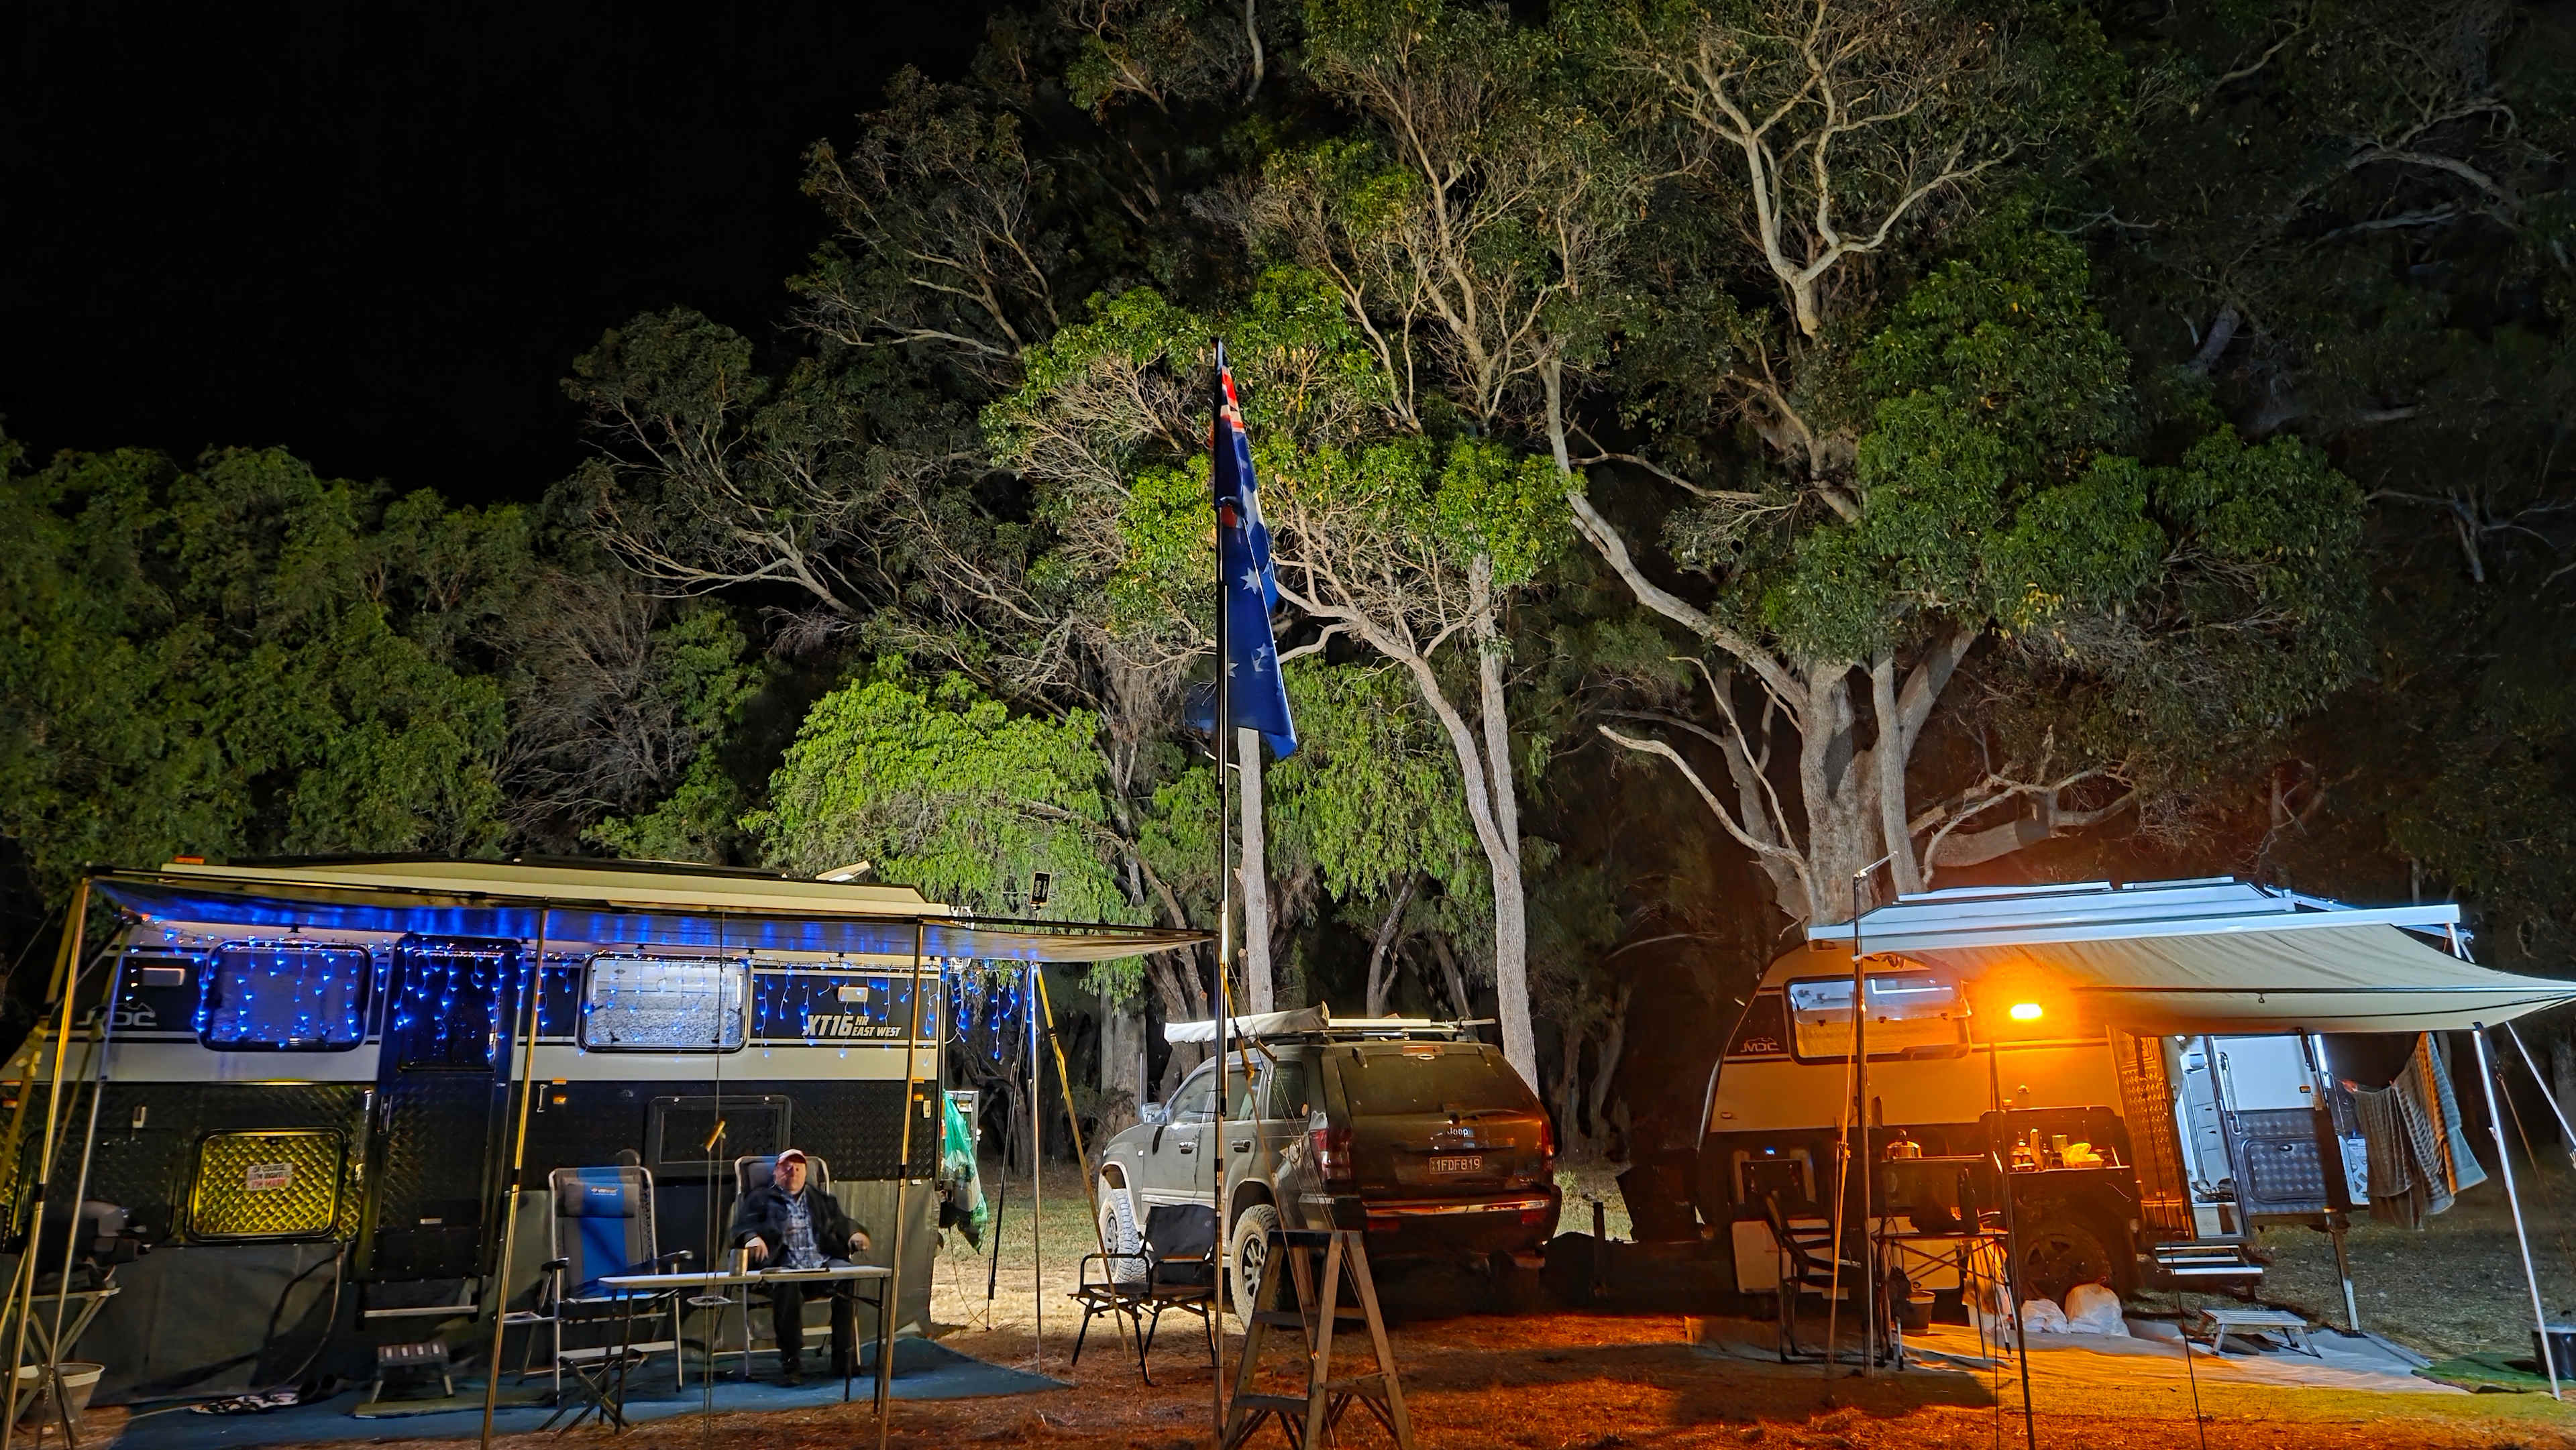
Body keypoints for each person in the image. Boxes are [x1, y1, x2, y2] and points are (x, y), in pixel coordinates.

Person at [730, 1148, 871, 1384]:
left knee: (847, 1276)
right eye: (786, 1166)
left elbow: (841, 1222)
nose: (792, 1171)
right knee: (787, 1284)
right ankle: (791, 1363)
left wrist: (855, 1234)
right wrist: (751, 1237)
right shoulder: (760, 1198)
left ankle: (842, 1358)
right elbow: (740, 1228)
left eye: (798, 1166)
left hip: (821, 1269)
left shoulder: (822, 1200)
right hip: (781, 1271)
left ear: (806, 1172)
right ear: (776, 1172)